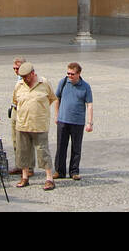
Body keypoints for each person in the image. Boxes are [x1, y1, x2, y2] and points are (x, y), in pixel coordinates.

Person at [11, 61, 58, 190]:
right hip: (22, 123)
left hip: (39, 124)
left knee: (43, 151)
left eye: (26, 76)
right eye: (22, 77)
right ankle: (25, 177)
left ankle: (49, 178)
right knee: (23, 151)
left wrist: (40, 110)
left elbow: (52, 98)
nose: (24, 79)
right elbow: (15, 101)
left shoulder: (44, 83)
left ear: (33, 73)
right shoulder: (19, 85)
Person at [52, 61, 93, 180]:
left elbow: (89, 104)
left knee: (76, 147)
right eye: (68, 73)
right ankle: (59, 171)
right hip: (63, 120)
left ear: (78, 74)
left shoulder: (85, 86)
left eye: (72, 74)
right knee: (61, 146)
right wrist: (56, 115)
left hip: (78, 121)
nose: (69, 76)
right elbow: (57, 99)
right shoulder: (63, 82)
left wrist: (89, 123)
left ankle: (74, 171)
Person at [7, 56, 27, 175]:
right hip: (15, 109)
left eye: (17, 68)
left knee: (24, 140)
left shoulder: (28, 79)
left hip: (23, 111)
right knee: (15, 139)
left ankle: (27, 167)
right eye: (14, 68)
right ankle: (19, 164)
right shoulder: (18, 79)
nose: (15, 70)